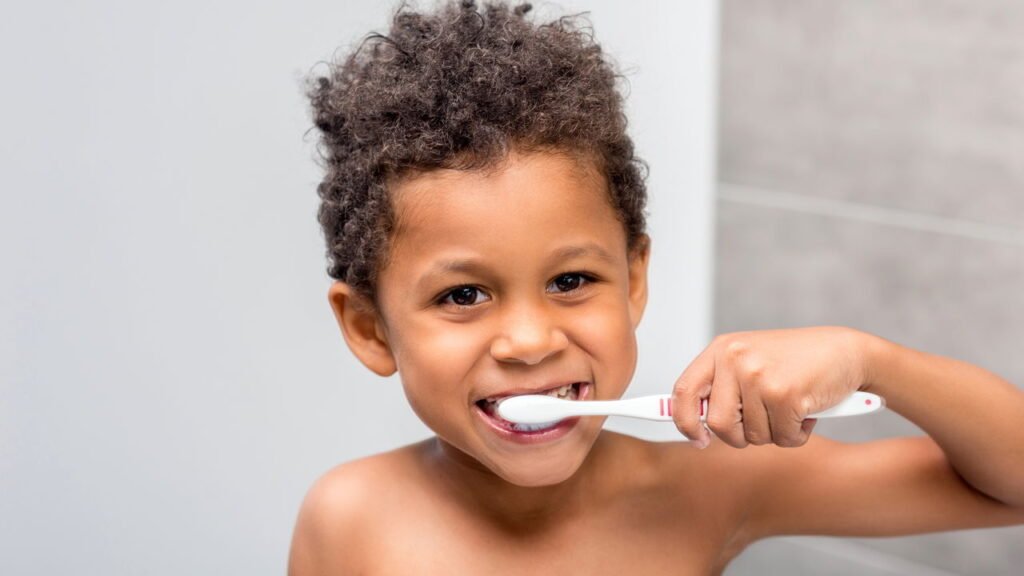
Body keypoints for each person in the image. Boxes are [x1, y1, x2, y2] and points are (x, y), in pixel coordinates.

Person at [289, 1, 1024, 573]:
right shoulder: (349, 519)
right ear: (370, 328)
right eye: (462, 296)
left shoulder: (710, 487)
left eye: (571, 280)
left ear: (634, 279)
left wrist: (870, 359)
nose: (530, 341)